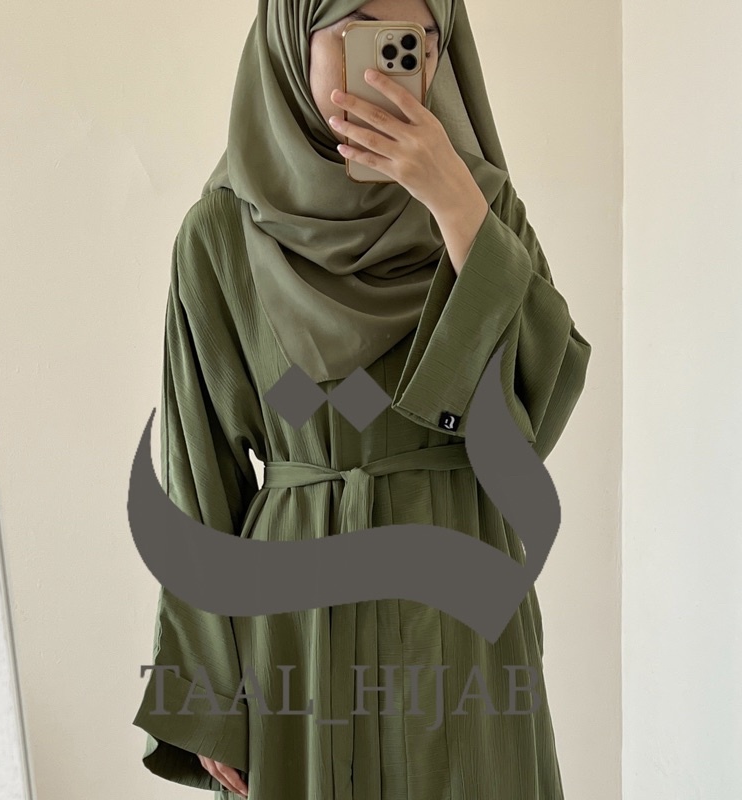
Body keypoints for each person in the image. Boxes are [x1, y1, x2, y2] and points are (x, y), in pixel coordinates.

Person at [132, 0, 592, 798]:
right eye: (358, 30)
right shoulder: (220, 233)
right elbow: (198, 473)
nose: (390, 64)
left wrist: (460, 213)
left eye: (418, 40)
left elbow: (538, 411)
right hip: (294, 629)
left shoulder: (486, 211)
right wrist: (207, 693)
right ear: (291, 36)